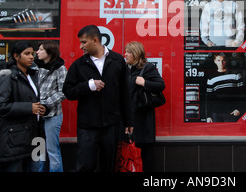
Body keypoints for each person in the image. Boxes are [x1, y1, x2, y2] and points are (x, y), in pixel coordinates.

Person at [63, 25, 133, 172]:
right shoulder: (79, 65)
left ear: (95, 40)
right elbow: (68, 92)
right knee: (85, 165)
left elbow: (124, 92)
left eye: (84, 42)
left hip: (111, 124)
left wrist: (128, 121)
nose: (81, 46)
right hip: (87, 126)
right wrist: (88, 86)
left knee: (108, 165)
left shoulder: (117, 60)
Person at [0, 41, 45, 172]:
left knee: (36, 169)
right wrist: (29, 108)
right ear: (16, 56)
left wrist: (41, 108)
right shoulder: (7, 76)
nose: (31, 57)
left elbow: (35, 100)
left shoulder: (34, 75)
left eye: (32, 53)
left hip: (36, 135)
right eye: (26, 54)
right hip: (14, 138)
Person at [124, 41, 165, 172]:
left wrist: (144, 82)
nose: (125, 54)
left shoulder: (147, 68)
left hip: (143, 119)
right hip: (127, 118)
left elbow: (160, 85)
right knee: (127, 154)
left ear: (136, 54)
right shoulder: (124, 69)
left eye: (128, 52)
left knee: (145, 156)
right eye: (125, 51)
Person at [35, 40, 67, 172]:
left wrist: (45, 103)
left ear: (49, 52)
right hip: (35, 114)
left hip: (52, 115)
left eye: (41, 49)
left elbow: (63, 91)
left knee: (52, 150)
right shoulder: (35, 66)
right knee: (37, 149)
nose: (37, 52)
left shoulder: (60, 68)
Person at [205, 53, 246, 122]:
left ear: (226, 61)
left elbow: (243, 94)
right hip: (216, 113)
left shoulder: (235, 74)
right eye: (218, 60)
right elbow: (209, 98)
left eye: (223, 60)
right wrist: (208, 116)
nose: (221, 63)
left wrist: (239, 109)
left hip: (232, 112)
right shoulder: (211, 78)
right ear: (215, 61)